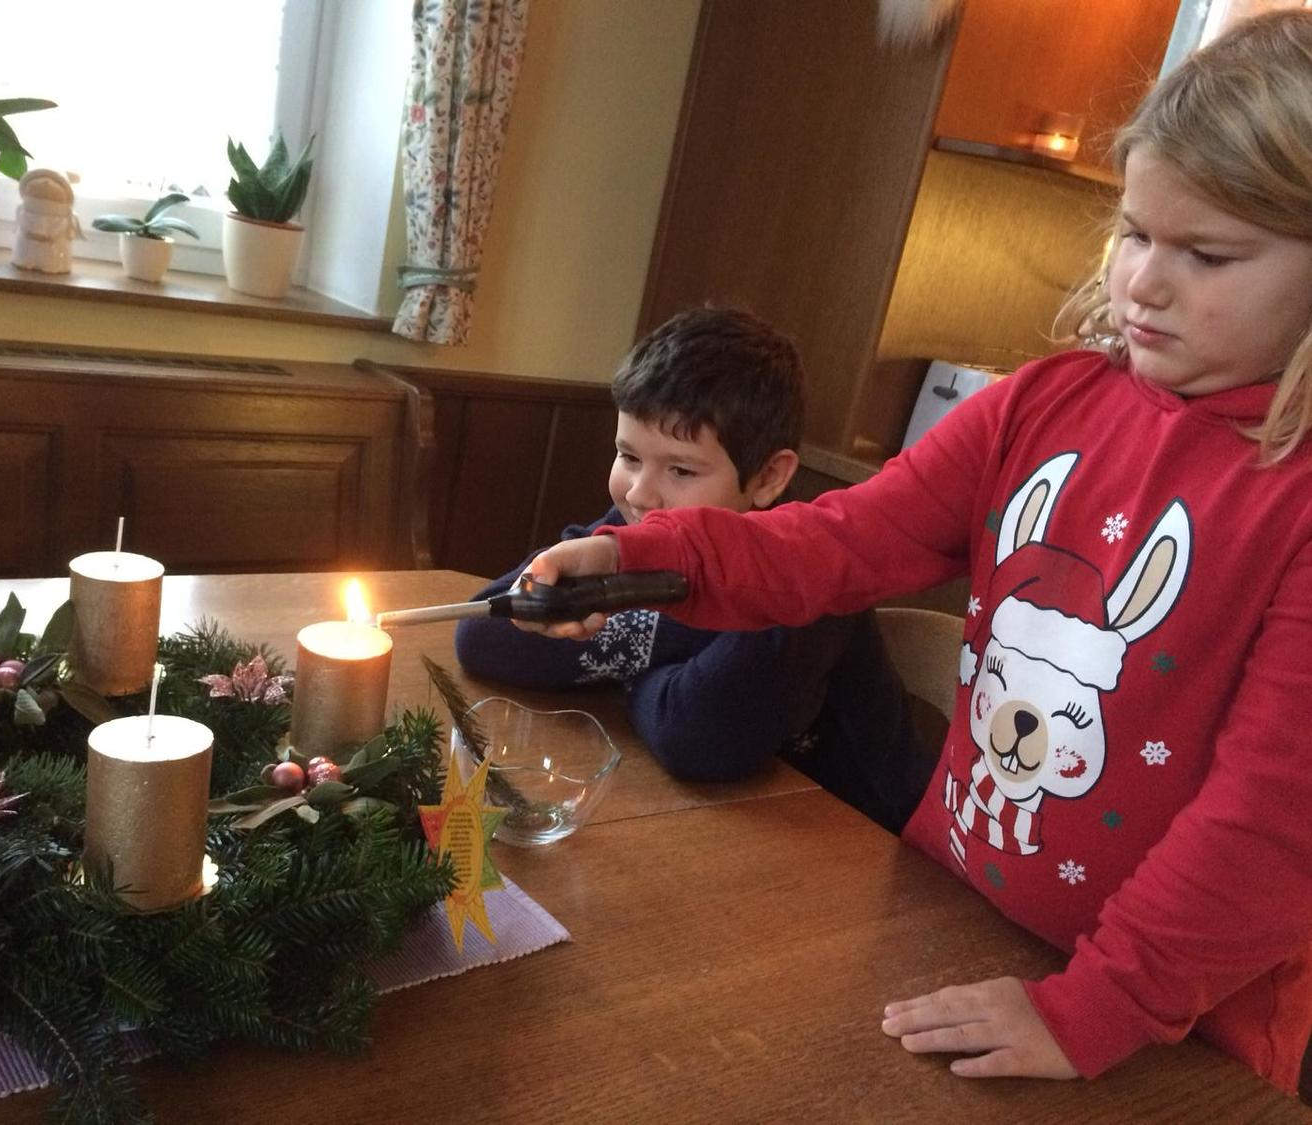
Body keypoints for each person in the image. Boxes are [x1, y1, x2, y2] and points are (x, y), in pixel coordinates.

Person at [513, 11, 1312, 1095]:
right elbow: (842, 540)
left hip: (1167, 1032)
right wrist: (645, 555)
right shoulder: (1046, 400)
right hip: (949, 911)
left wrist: (1094, 1009)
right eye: (1133, 233)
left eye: (1206, 254)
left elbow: (1271, 829)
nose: (1143, 284)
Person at [454, 306, 930, 806]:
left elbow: (694, 738)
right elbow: (484, 636)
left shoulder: (808, 578)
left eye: (681, 471)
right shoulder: (637, 527)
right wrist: (668, 657)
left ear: (768, 478)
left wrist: (633, 671)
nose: (639, 492)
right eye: (628, 456)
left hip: (867, 831)